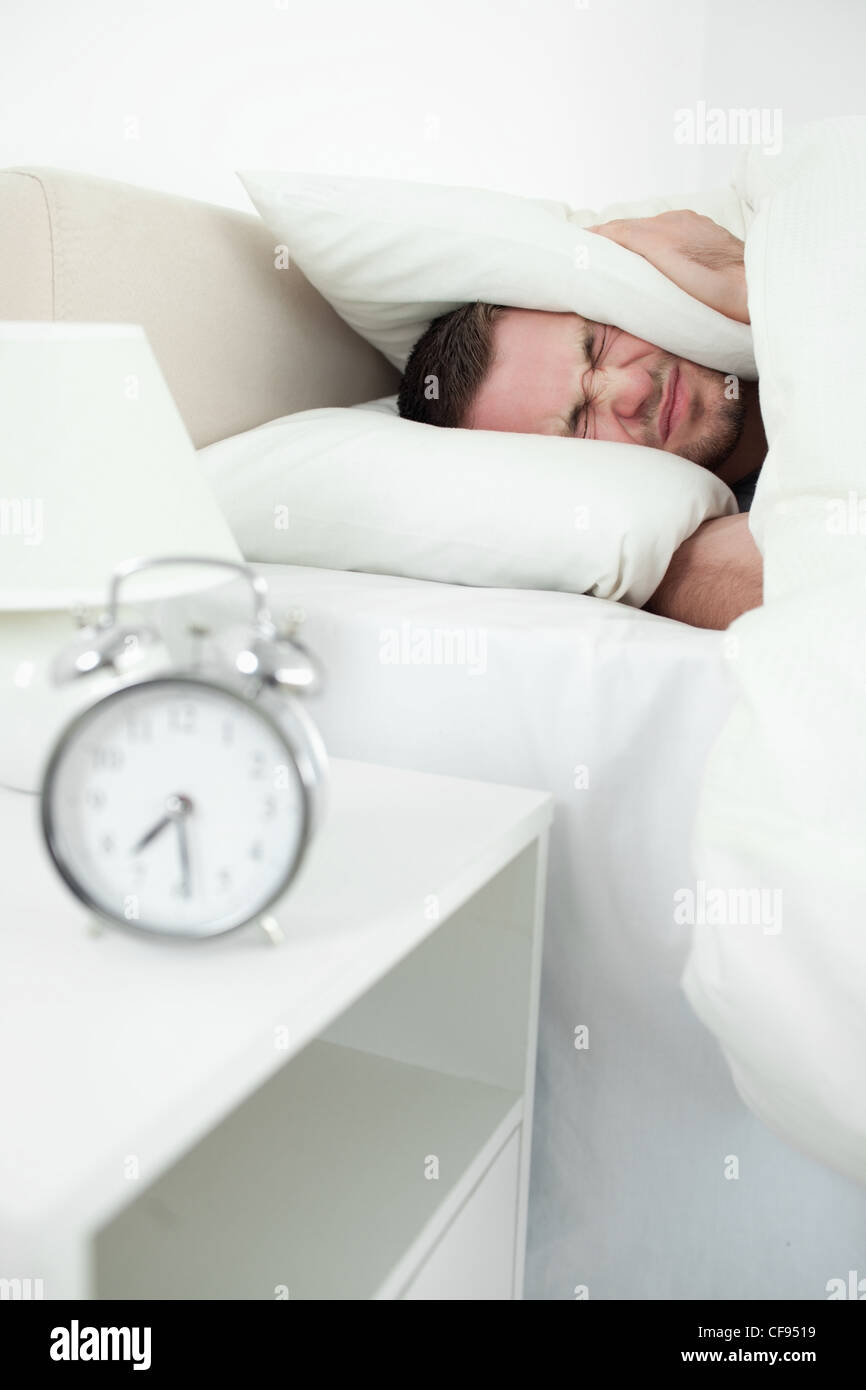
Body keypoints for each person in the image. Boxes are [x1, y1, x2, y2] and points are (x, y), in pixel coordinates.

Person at [397, 211, 765, 629]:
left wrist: (747, 278)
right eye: (580, 425)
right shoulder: (702, 559)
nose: (634, 389)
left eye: (598, 346)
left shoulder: (786, 240)